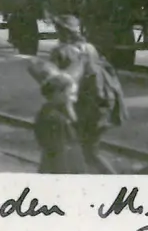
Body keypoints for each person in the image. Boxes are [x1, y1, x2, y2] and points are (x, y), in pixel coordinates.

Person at [41, 15, 124, 173]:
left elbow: (57, 82)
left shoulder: (60, 51)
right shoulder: (90, 48)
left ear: (62, 31)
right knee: (88, 151)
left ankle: (114, 180)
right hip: (99, 104)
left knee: (81, 152)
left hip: (79, 106)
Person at [34, 73, 88, 174]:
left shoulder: (61, 110)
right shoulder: (52, 117)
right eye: (70, 94)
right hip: (60, 163)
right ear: (57, 93)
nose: (74, 99)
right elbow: (56, 148)